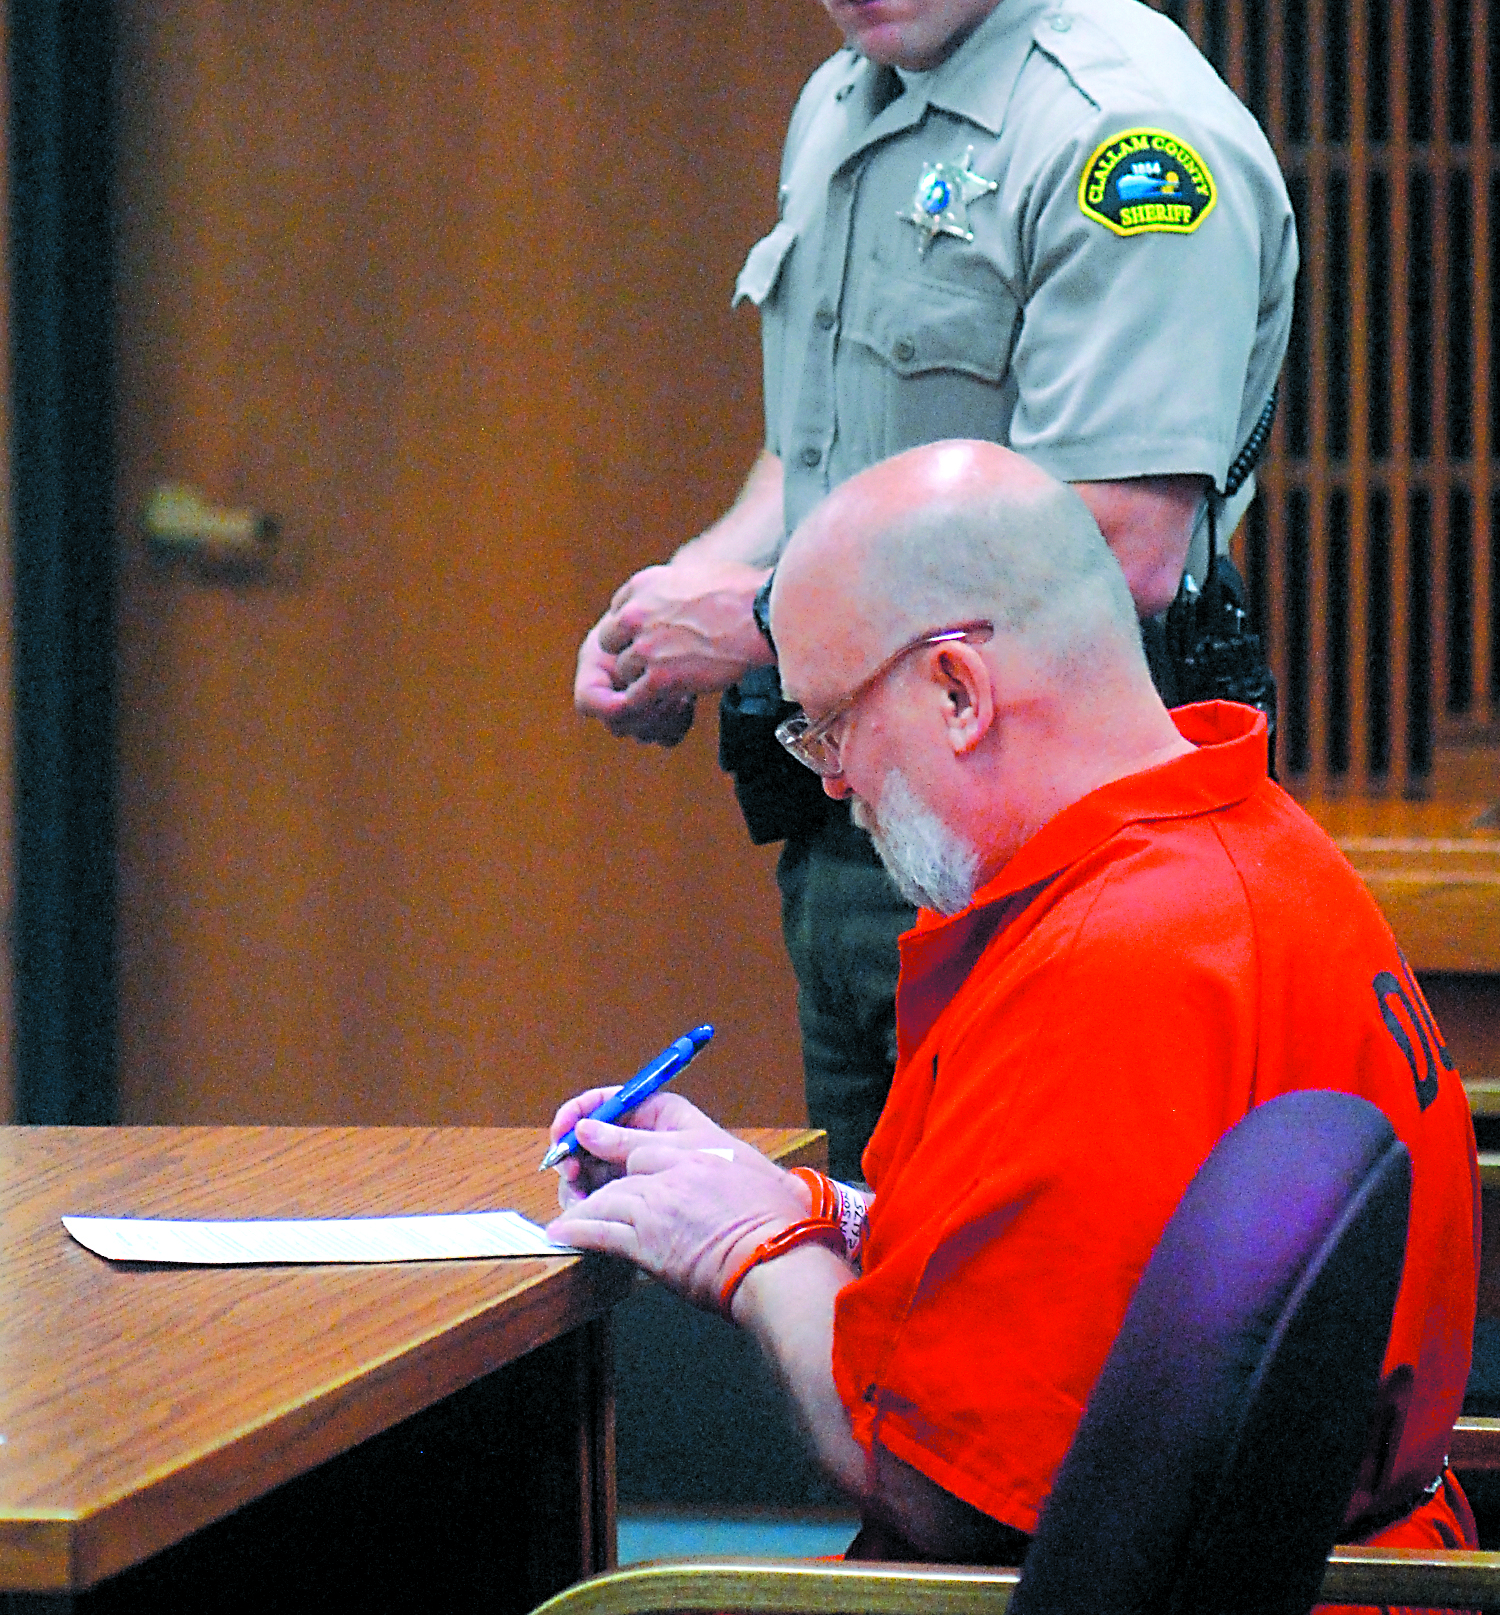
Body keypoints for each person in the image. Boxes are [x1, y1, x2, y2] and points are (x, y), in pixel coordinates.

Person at [573, 0, 1298, 1181]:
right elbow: (825, 452)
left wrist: (756, 627)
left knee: (1034, 1346)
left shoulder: (1117, 135)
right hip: (864, 824)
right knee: (889, 1315)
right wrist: (681, 597)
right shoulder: (849, 106)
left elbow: (1121, 547)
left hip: (1056, 850)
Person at [550, 441, 1478, 1566]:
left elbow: (948, 1495)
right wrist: (796, 1205)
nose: (832, 779)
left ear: (958, 689)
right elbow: (1107, 1278)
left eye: (831, 725)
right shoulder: (1254, 849)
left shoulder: (1113, 964)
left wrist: (752, 1253)